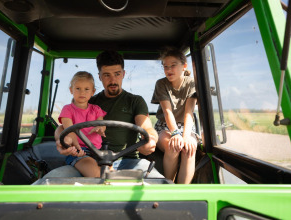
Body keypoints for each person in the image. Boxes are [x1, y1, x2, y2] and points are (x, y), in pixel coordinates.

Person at [54, 50, 163, 178]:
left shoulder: (135, 100)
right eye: (107, 75)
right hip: (90, 158)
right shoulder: (88, 101)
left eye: (117, 74)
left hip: (127, 160)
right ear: (99, 77)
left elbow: (147, 127)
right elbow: (65, 126)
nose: (113, 80)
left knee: (155, 179)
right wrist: (60, 141)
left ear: (123, 74)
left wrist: (151, 139)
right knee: (55, 179)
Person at [151, 47, 197, 184]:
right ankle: (169, 187)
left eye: (173, 65)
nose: (169, 69)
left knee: (189, 149)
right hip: (165, 126)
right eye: (165, 66)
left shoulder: (191, 83)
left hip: (186, 127)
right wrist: (175, 133)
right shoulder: (161, 84)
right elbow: (167, 111)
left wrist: (186, 136)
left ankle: (183, 192)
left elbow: (189, 112)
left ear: (184, 66)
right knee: (173, 146)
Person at [58, 71, 106, 177]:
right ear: (71, 90)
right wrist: (77, 148)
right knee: (96, 173)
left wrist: (100, 128)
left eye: (86, 89)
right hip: (80, 151)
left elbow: (102, 123)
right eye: (78, 88)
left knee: (112, 173)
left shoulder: (96, 109)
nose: (82, 92)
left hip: (98, 151)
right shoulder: (68, 109)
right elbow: (69, 130)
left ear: (93, 91)